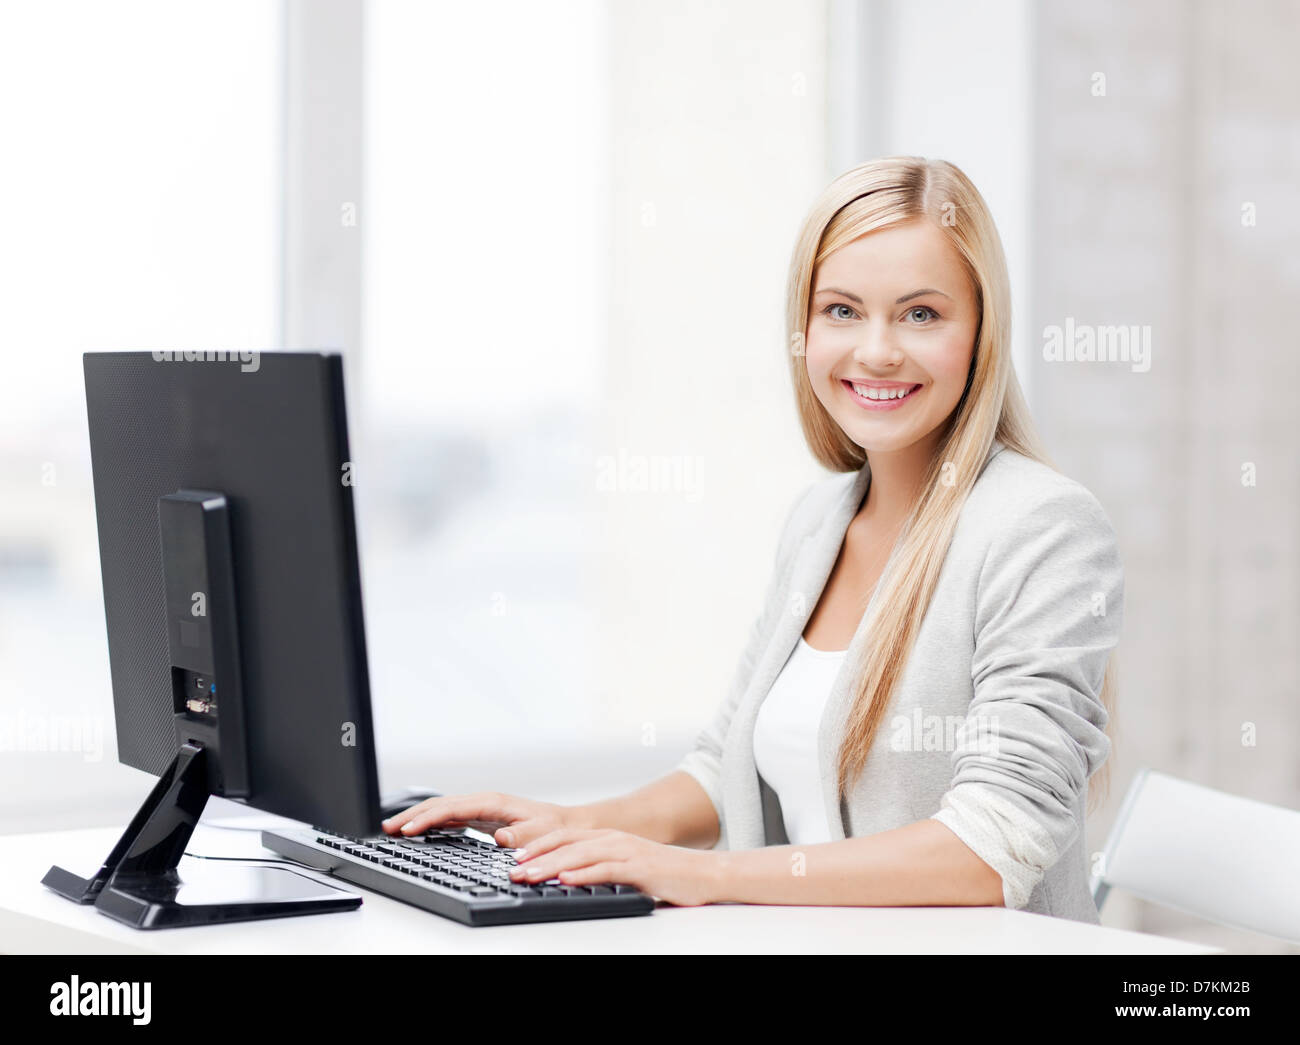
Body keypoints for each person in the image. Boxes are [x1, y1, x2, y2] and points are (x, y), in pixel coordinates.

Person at [382, 156, 1123, 922]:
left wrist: (707, 874)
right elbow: (722, 767)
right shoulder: (820, 520)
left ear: (981, 334)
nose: (876, 350)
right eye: (841, 310)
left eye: (921, 314)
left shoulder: (1041, 528)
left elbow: (990, 845)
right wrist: (573, 825)